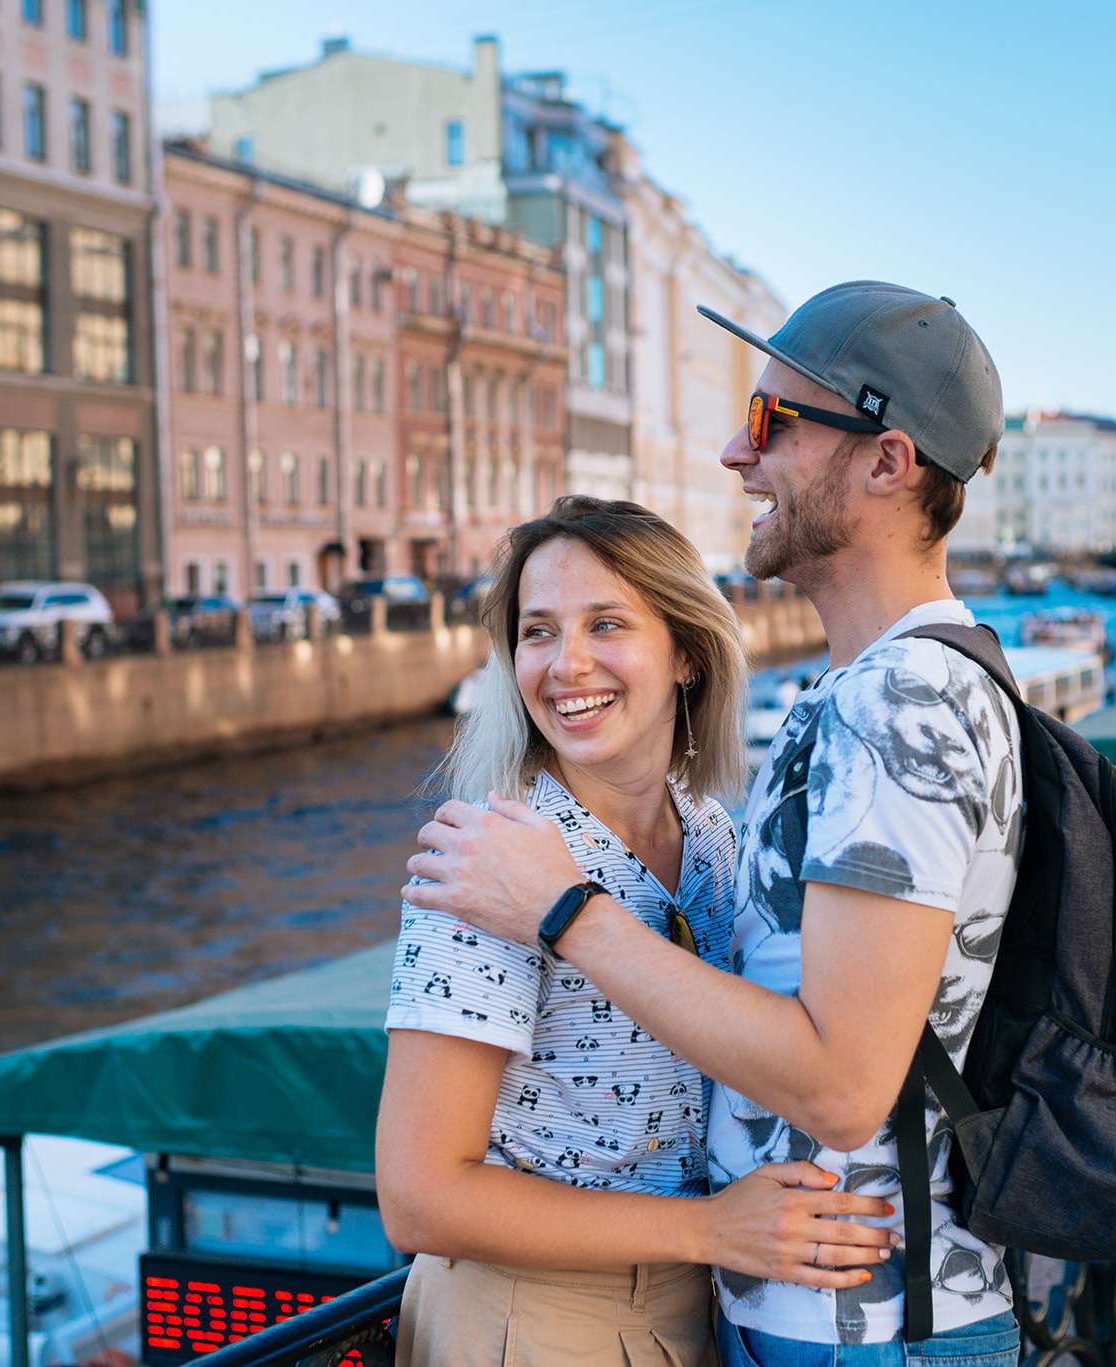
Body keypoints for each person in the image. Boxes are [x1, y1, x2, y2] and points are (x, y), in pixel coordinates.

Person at [404, 283, 1025, 1366]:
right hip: (716, 1306)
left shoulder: (891, 705)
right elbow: (418, 1188)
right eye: (536, 631)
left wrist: (562, 908)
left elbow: (838, 1084)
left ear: (887, 462)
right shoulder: (521, 847)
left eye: (774, 421)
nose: (738, 455)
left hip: (858, 1316)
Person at [378, 496, 903, 1367]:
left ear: (688, 653)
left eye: (606, 623)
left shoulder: (712, 836)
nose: (565, 664)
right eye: (537, 631)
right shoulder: (490, 857)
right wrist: (712, 1228)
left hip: (687, 1302)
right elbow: (419, 1196)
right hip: (534, 1319)